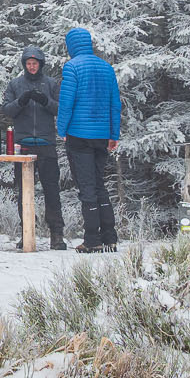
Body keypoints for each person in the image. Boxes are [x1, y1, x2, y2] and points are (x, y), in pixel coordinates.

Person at [55, 26, 122, 253]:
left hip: (79, 135)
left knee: (87, 188)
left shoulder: (72, 67)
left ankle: (92, 240)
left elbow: (67, 102)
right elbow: (115, 104)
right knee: (99, 184)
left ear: (71, 46)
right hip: (102, 135)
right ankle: (110, 237)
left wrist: (61, 128)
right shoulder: (106, 67)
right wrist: (114, 134)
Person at [0, 44, 68, 251]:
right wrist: (22, 100)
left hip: (46, 143)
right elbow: (7, 110)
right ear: (24, 64)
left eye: (35, 63)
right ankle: (26, 232)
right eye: (28, 63)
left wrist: (45, 100)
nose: (31, 67)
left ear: (41, 64)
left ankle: (56, 234)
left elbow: (60, 108)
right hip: (24, 145)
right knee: (24, 192)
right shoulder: (15, 84)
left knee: (52, 191)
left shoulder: (51, 83)